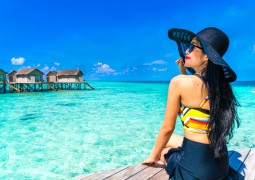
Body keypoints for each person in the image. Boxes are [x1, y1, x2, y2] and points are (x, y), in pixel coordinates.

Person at [142, 27, 240, 179]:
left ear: (207, 56)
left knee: (163, 150)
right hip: (221, 166)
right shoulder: (221, 88)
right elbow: (193, 95)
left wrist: (153, 157)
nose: (186, 51)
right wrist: (183, 70)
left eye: (192, 47)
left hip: (197, 170)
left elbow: (167, 128)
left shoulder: (179, 82)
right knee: (174, 139)